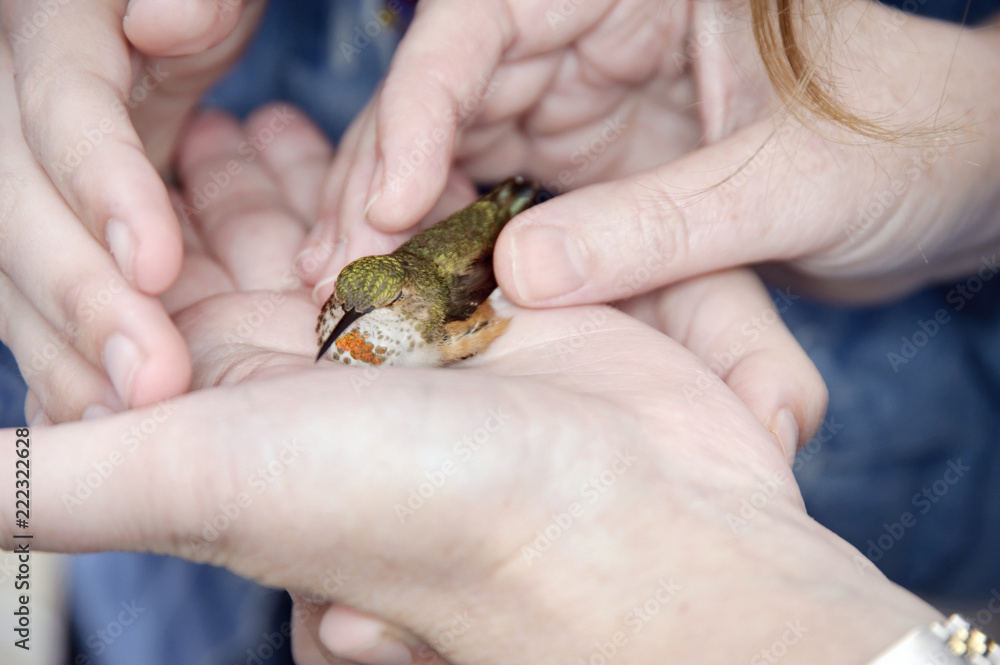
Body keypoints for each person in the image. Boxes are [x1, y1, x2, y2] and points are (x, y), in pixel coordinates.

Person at [1, 108, 941, 664]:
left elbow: (468, 325)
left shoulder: (437, 296)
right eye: (339, 320)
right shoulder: (376, 300)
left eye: (354, 323)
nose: (342, 335)